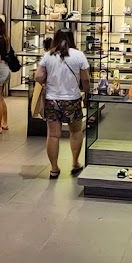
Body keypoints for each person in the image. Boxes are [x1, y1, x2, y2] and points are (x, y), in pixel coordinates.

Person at [34, 29, 89, 179]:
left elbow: (38, 76)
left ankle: (54, 168)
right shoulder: (78, 55)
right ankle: (75, 163)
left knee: (53, 135)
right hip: (72, 99)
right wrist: (87, 93)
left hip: (52, 99)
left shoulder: (48, 55)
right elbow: (85, 79)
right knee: (76, 132)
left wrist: (46, 82)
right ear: (72, 38)